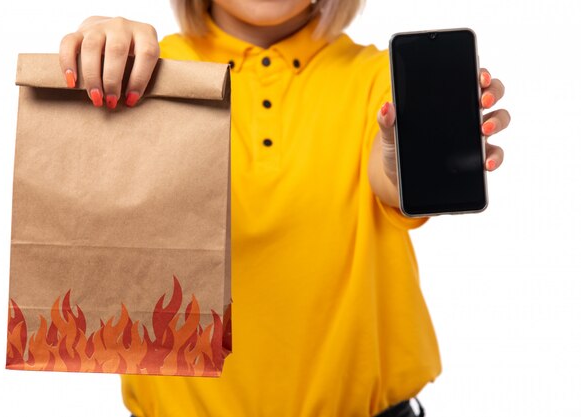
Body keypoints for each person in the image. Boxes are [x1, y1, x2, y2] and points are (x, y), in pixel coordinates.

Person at [58, 1, 511, 416]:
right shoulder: (149, 72)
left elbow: (387, 175)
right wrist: (101, 61)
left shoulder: (381, 78)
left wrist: (404, 158)